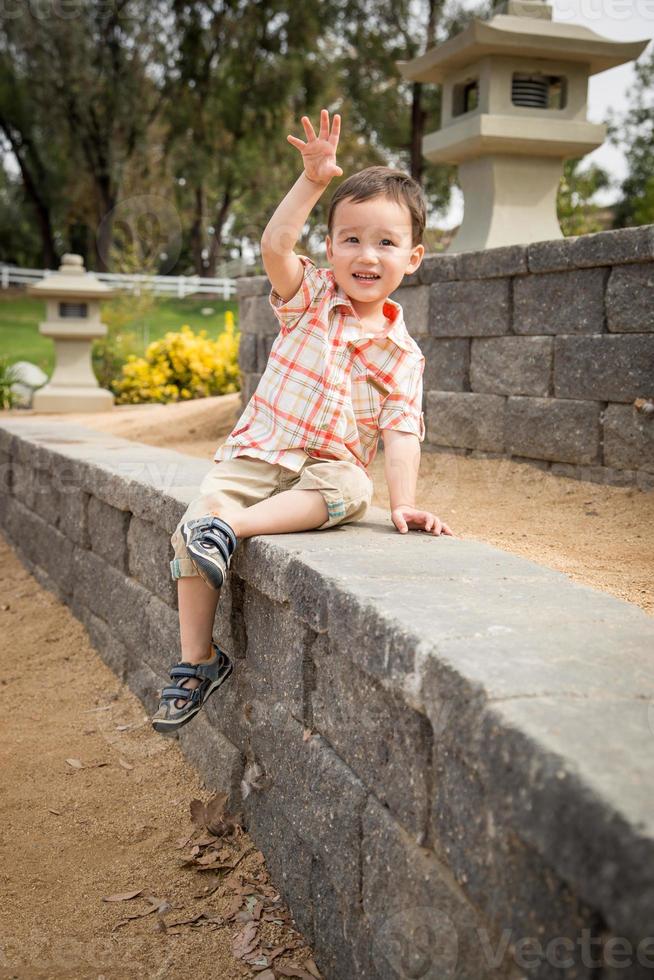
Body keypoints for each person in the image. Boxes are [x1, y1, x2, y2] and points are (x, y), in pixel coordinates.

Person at [151, 109, 455, 735]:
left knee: (353, 489)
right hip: (260, 453)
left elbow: (401, 429)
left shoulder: (404, 356)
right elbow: (273, 245)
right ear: (330, 247)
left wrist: (406, 503)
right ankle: (197, 661)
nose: (366, 254)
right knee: (189, 532)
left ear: (414, 257)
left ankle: (227, 529)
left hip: (326, 471)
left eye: (386, 243)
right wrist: (314, 181)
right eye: (351, 239)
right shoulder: (310, 297)